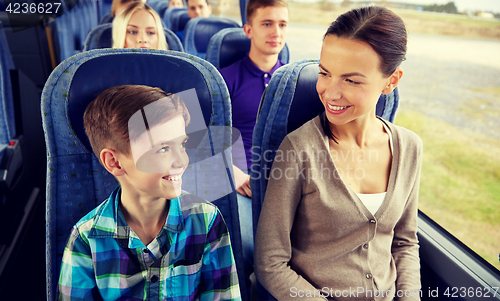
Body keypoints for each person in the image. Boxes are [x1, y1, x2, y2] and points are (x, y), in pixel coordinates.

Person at [254, 6, 422, 301]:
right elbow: (270, 265)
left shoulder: (409, 148)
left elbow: (405, 243)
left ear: (391, 81)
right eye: (324, 73)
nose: (330, 93)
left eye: (352, 80)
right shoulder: (299, 149)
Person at [57, 85, 241, 300]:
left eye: (182, 145)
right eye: (163, 149)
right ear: (114, 162)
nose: (182, 161)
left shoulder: (206, 220)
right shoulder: (86, 237)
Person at [219, 0, 288, 299]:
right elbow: (198, 140)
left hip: (287, 183)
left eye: (283, 24)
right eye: (267, 23)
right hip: (242, 181)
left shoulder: (296, 81)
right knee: (251, 248)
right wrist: (233, 175)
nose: (276, 32)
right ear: (248, 29)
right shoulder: (223, 79)